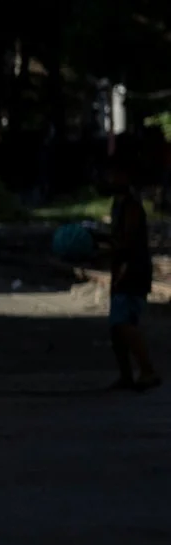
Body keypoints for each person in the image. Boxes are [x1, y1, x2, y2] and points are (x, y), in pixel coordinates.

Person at [106, 162, 160, 391]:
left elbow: (127, 242)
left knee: (122, 323)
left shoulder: (131, 206)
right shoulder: (119, 204)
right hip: (123, 269)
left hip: (131, 271)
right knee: (117, 328)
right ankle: (126, 375)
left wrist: (109, 250)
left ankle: (147, 371)